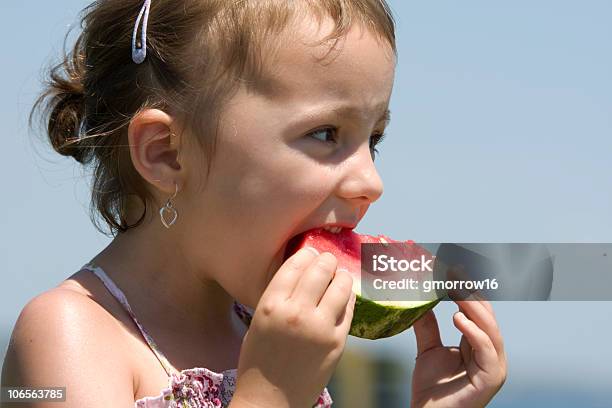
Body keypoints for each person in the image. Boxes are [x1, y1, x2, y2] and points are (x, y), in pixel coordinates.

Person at [1, 0, 506, 406]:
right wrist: (270, 397)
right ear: (167, 154)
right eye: (326, 133)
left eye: (372, 139)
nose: (371, 182)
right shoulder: (69, 335)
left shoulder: (273, 331)